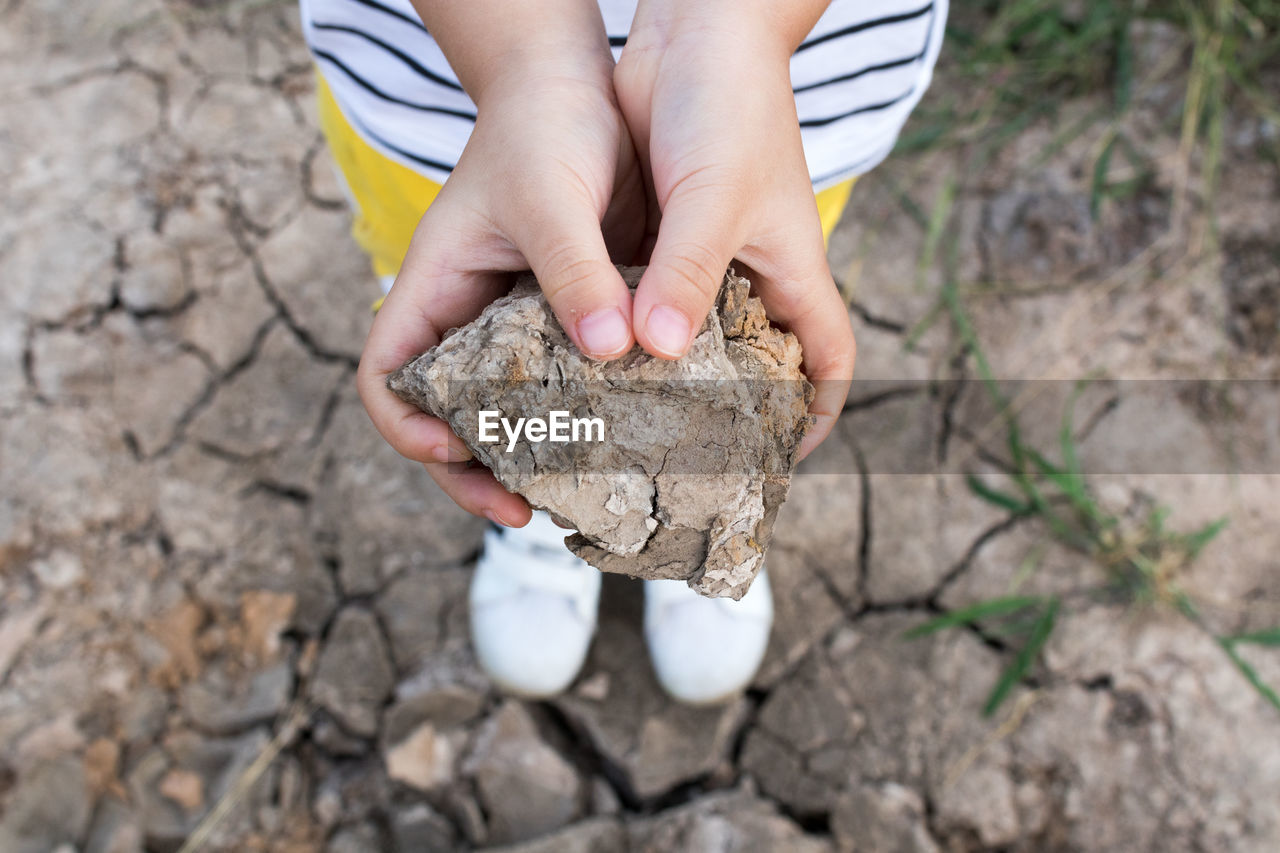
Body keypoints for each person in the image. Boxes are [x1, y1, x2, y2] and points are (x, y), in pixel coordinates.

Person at [300, 0, 947, 703]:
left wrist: (736, 32)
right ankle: (561, 496)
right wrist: (526, 63)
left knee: (747, 283)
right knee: (459, 280)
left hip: (786, 83)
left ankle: (697, 518)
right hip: (443, 79)